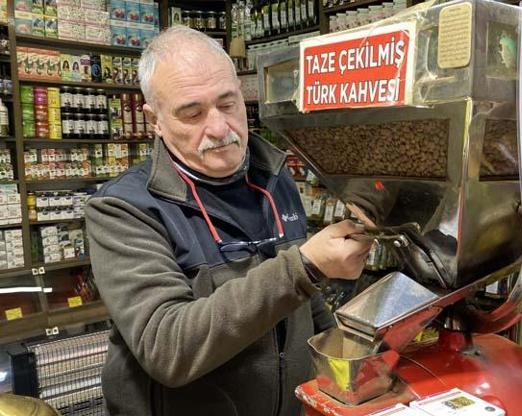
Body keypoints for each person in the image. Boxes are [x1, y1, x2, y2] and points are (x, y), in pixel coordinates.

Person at [85, 25, 372, 416]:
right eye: (193, 113)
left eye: (227, 103)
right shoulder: (123, 209)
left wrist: (348, 354)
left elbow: (305, 306)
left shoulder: (274, 176)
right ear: (154, 119)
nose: (219, 129)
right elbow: (167, 349)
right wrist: (305, 266)